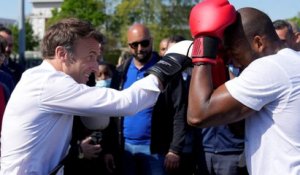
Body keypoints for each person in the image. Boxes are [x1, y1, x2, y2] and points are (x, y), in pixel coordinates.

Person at [0, 18, 191, 175]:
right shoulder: (48, 83)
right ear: (62, 54)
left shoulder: (38, 78)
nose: (95, 66)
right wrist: (169, 64)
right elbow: (127, 103)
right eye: (90, 56)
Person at [187, 1, 300, 174]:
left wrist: (203, 51)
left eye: (234, 52)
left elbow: (197, 115)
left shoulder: (270, 67)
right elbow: (239, 127)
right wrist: (220, 68)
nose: (233, 61)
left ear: (258, 43)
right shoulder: (291, 62)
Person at [110, 23, 189, 175]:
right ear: (128, 46)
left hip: (156, 151)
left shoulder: (168, 70)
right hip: (124, 148)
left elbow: (180, 110)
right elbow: (111, 111)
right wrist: (109, 149)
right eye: (134, 44)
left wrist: (175, 149)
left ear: (151, 40)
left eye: (144, 43)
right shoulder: (120, 72)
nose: (140, 48)